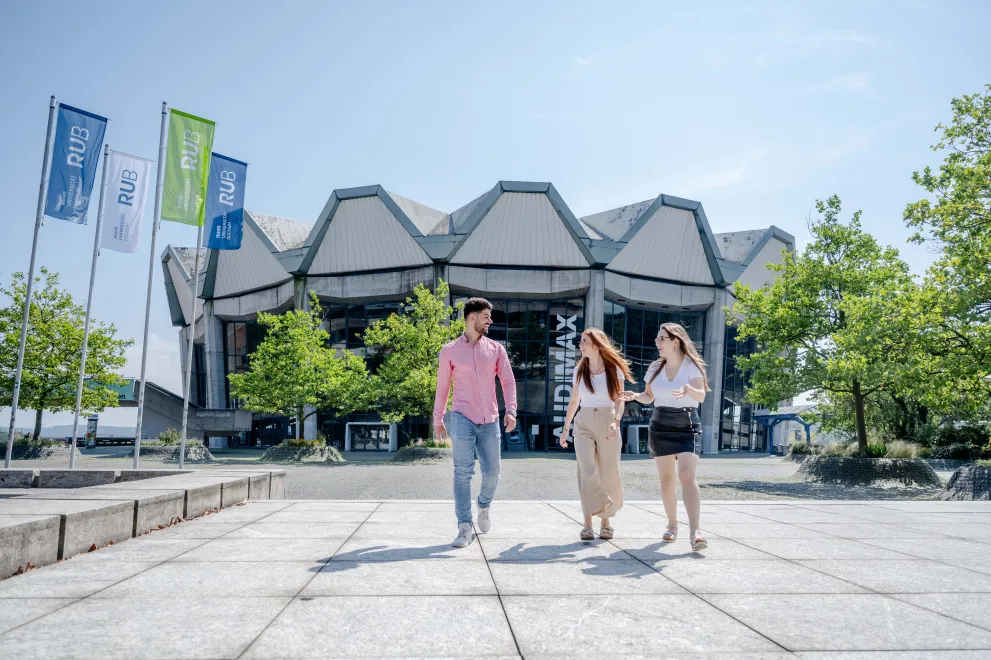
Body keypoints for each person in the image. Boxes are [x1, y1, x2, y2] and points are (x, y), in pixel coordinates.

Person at [434, 298, 517, 548]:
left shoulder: (496, 349)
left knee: (492, 472)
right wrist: (438, 419)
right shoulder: (449, 350)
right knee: (462, 473)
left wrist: (510, 410)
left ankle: (483, 505)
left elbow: (508, 381)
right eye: (486, 316)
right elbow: (443, 386)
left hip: (490, 419)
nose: (490, 321)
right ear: (472, 317)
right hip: (462, 417)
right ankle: (464, 526)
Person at [621, 322, 710, 551]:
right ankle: (672, 525)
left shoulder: (692, 366)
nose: (657, 342)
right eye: (657, 338)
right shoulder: (654, 368)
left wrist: (690, 390)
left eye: (661, 338)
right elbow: (649, 397)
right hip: (660, 424)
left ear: (675, 341)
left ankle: (695, 531)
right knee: (667, 480)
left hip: (687, 423)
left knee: (687, 474)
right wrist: (634, 396)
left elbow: (700, 396)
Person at [560, 328, 634, 540]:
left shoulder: (613, 369)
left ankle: (605, 522)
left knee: (607, 472)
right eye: (581, 341)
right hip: (583, 421)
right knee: (586, 469)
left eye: (584, 341)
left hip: (607, 419)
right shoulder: (579, 370)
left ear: (596, 344)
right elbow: (574, 400)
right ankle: (587, 524)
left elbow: (619, 399)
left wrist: (617, 421)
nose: (580, 344)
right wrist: (566, 428)